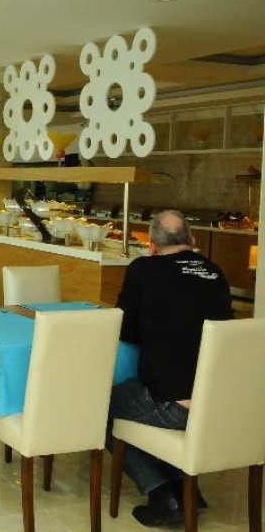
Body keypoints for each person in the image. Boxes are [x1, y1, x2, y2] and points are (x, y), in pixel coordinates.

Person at [108, 209, 233, 527]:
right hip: (217, 406)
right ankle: (189, 492)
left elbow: (124, 330)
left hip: (176, 407)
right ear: (192, 240)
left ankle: (162, 494)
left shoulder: (143, 269)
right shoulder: (215, 272)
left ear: (151, 245)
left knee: (97, 405)